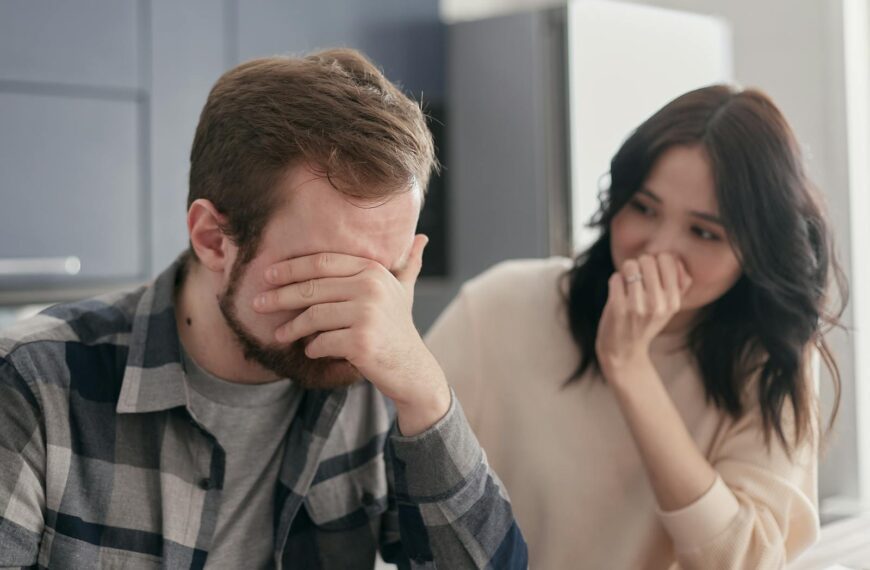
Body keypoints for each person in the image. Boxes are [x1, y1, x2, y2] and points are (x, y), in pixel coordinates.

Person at [0, 49, 527, 568]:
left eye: (387, 275)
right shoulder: (30, 385)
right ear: (213, 240)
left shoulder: (376, 374)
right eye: (327, 272)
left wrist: (427, 393)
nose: (362, 308)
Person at [426, 85, 845, 569]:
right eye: (644, 208)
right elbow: (386, 490)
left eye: (704, 232)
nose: (658, 248)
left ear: (756, 252)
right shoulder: (500, 306)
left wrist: (629, 366)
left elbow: (743, 560)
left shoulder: (770, 360)